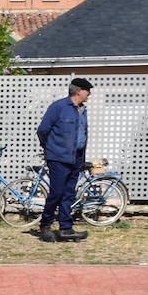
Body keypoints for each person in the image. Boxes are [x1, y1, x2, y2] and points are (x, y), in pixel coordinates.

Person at [36, 78, 92, 242]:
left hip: (76, 158)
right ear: (78, 91)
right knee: (57, 192)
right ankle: (45, 226)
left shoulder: (83, 110)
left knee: (69, 193)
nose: (89, 94)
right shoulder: (58, 107)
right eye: (87, 90)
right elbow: (42, 130)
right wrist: (50, 149)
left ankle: (66, 228)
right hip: (58, 158)